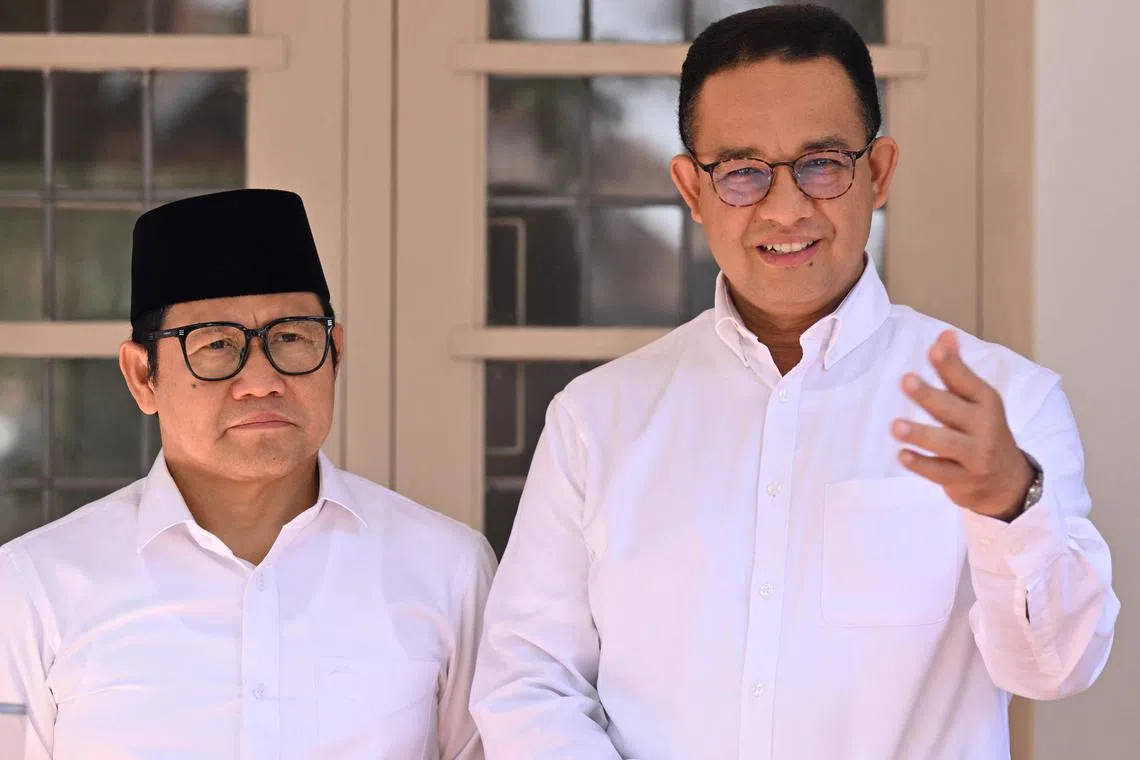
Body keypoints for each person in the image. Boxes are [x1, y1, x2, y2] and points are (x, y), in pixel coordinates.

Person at [469, 6, 1118, 759]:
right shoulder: (597, 419)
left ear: (878, 172)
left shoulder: (1008, 403)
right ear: (692, 190)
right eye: (742, 171)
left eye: (822, 163)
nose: (785, 208)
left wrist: (1011, 503)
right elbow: (528, 683)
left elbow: (1055, 670)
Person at [0, 189, 495, 760]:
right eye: (215, 344)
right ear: (142, 376)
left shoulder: (447, 570)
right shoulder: (36, 588)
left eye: (291, 337)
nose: (261, 382)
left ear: (335, 352)